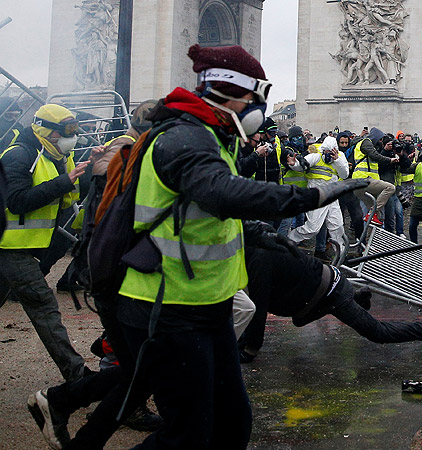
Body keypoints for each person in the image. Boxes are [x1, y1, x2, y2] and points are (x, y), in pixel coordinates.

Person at [32, 44, 366, 450]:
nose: (259, 107)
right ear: (231, 94)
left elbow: (203, 212)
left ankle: (68, 414)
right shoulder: (185, 138)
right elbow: (222, 193)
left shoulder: (210, 135)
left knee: (232, 425)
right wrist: (312, 197)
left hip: (206, 301)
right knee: (187, 434)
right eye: (255, 97)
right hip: (166, 305)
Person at [237, 228, 422, 363]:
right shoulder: (259, 238)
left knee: (378, 333)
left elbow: (258, 306)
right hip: (320, 291)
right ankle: (358, 297)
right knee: (299, 318)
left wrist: (250, 349)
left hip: (329, 293)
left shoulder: (258, 257)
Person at [0, 104, 92, 383]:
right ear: (43, 129)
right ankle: (78, 376)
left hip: (24, 249)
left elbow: (67, 201)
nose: (72, 137)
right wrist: (66, 181)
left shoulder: (59, 157)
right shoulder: (19, 155)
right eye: (65, 132)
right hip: (9, 248)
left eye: (75, 130)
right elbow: (16, 202)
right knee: (44, 308)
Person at [287, 135, 349, 257]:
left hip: (332, 195)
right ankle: (289, 240)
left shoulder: (340, 157)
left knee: (337, 226)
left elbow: (345, 174)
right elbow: (302, 165)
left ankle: (341, 255)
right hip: (317, 194)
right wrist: (294, 164)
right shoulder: (316, 156)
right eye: (326, 152)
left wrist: (337, 160)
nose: (328, 155)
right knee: (312, 228)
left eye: (330, 152)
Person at [351, 127, 397, 225]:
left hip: (360, 183)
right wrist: (389, 160)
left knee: (375, 217)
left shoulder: (366, 145)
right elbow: (375, 155)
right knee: (390, 188)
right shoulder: (366, 142)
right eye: (380, 139)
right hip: (364, 180)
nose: (381, 142)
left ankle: (368, 238)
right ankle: (372, 214)